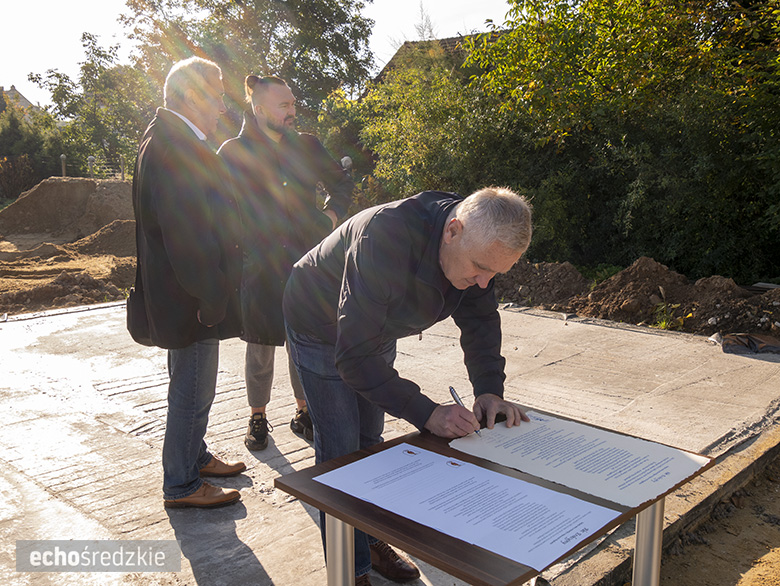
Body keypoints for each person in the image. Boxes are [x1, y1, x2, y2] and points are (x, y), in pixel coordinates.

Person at [283, 187, 533, 585]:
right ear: (452, 230)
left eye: (495, 274)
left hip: (375, 326)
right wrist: (427, 412)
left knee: (370, 441)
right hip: (319, 321)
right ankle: (350, 570)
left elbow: (481, 320)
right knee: (341, 450)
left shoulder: (474, 247)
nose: (484, 282)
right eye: (480, 268)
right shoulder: (385, 238)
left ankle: (368, 538)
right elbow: (354, 357)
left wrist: (489, 389)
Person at [130, 56, 246, 509]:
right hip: (190, 298)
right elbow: (186, 236)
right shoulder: (175, 147)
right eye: (218, 94)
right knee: (193, 390)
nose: (222, 106)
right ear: (193, 96)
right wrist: (212, 294)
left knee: (190, 382)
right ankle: (181, 484)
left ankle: (194, 457)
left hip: (181, 293)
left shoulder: (167, 137)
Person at [218, 75, 353, 451]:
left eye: (293, 103)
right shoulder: (233, 152)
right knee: (260, 346)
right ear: (260, 109)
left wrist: (330, 217)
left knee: (304, 341)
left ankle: (303, 411)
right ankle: (257, 417)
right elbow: (215, 206)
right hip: (259, 267)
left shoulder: (308, 145)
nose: (293, 111)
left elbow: (341, 183)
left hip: (307, 263)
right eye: (284, 105)